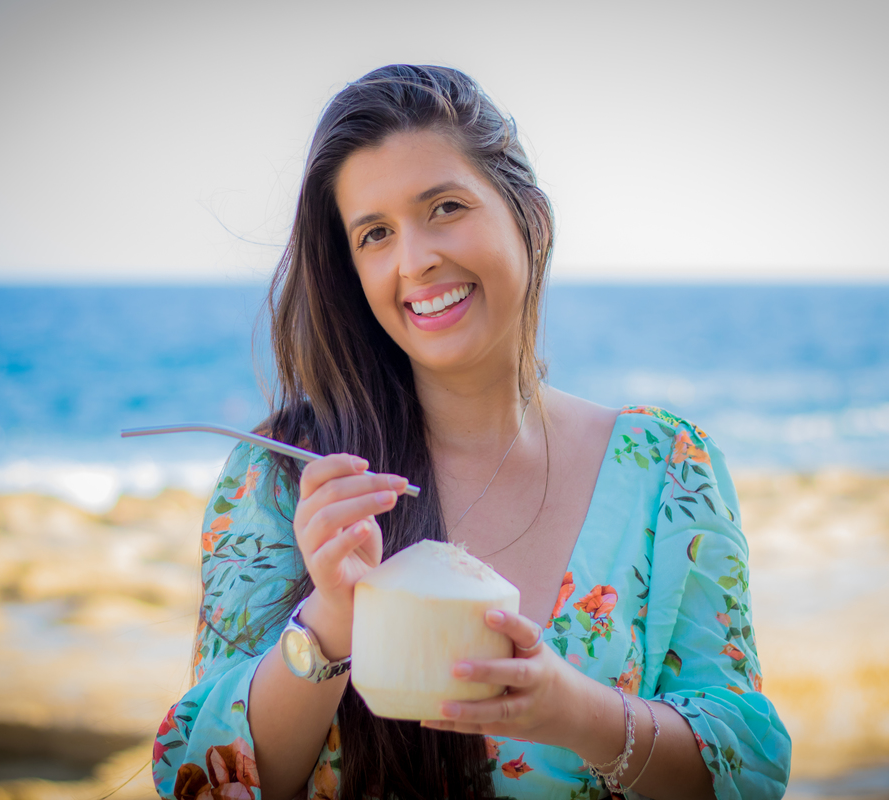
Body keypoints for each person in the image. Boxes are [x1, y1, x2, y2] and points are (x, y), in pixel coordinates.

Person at [150, 65, 790, 800]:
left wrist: (573, 711)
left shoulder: (666, 470)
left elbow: (747, 767)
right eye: (375, 234)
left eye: (445, 207)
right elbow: (199, 781)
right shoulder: (283, 479)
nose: (415, 259)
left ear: (529, 216)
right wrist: (329, 618)